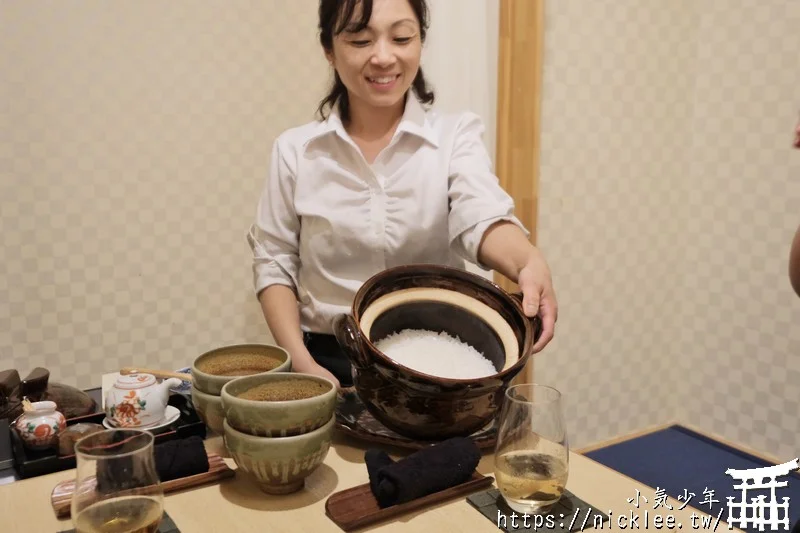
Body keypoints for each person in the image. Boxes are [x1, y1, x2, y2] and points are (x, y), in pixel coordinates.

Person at [247, 0, 557, 388]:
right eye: (360, 40)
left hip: (437, 359)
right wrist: (303, 363)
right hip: (328, 360)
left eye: (401, 37)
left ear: (420, 42)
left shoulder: (454, 136)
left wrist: (526, 260)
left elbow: (480, 215)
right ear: (329, 49)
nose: (383, 56)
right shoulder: (296, 151)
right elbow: (275, 261)